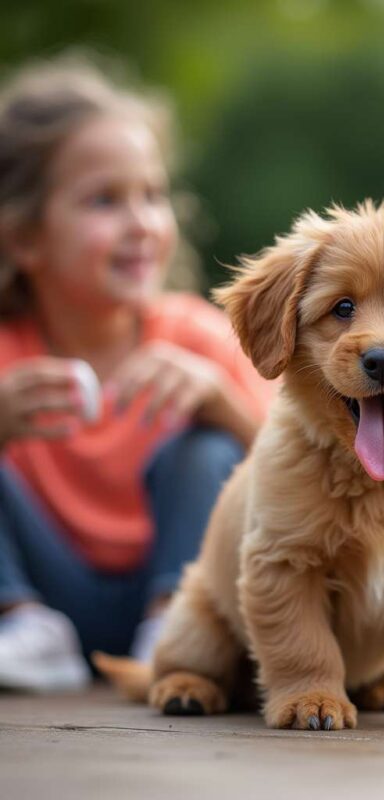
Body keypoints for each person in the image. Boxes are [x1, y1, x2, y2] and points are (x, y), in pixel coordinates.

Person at [0, 53, 275, 692]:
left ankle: (175, 631)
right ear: (25, 238)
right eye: (105, 200)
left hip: (189, 600)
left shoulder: (198, 337)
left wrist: (224, 403)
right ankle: (20, 624)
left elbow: (308, 470)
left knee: (206, 446)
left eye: (152, 195)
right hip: (45, 603)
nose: (142, 224)